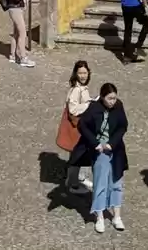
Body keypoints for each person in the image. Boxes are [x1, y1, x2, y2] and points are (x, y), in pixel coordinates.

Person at [68, 82, 129, 234]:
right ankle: (100, 216)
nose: (112, 102)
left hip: (115, 149)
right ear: (102, 97)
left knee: (116, 183)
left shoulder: (118, 106)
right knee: (100, 183)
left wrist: (112, 143)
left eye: (114, 98)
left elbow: (123, 126)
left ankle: (117, 216)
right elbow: (83, 126)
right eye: (110, 99)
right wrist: (95, 143)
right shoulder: (94, 108)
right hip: (100, 150)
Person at [60, 60, 94, 194]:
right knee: (77, 154)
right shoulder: (76, 90)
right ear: (76, 74)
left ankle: (79, 178)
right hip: (78, 127)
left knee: (81, 153)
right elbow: (73, 109)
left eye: (85, 73)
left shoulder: (82, 88)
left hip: (82, 127)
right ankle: (74, 184)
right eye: (80, 73)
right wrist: (89, 105)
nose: (83, 76)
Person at [0, 0, 36, 67]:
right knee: (23, 33)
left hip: (17, 8)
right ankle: (23, 58)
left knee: (16, 33)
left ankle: (13, 55)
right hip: (14, 9)